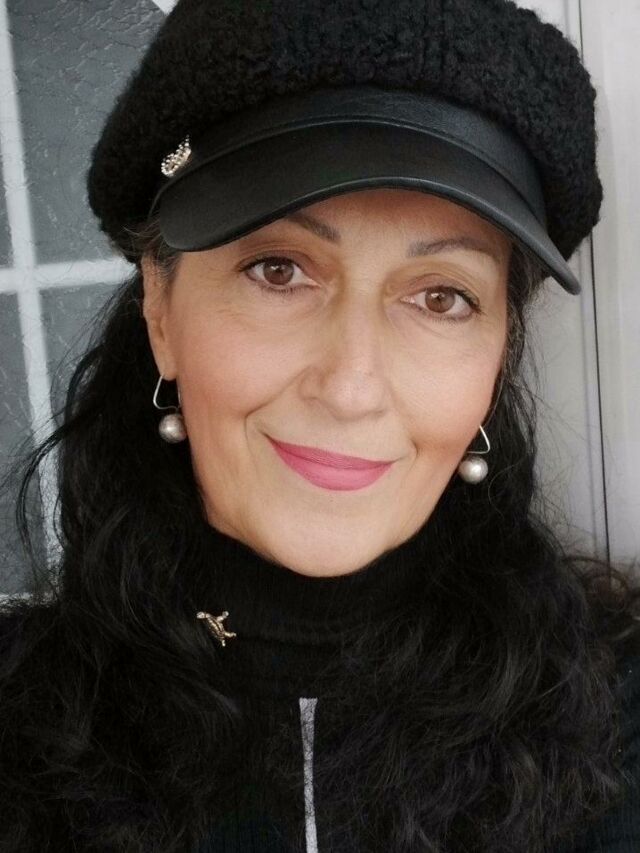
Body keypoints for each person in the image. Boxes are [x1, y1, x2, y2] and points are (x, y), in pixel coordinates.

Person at [0, 0, 638, 850]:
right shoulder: (18, 733)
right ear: (160, 303)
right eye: (278, 270)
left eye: (441, 297)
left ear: (498, 356)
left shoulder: (622, 715)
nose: (350, 387)